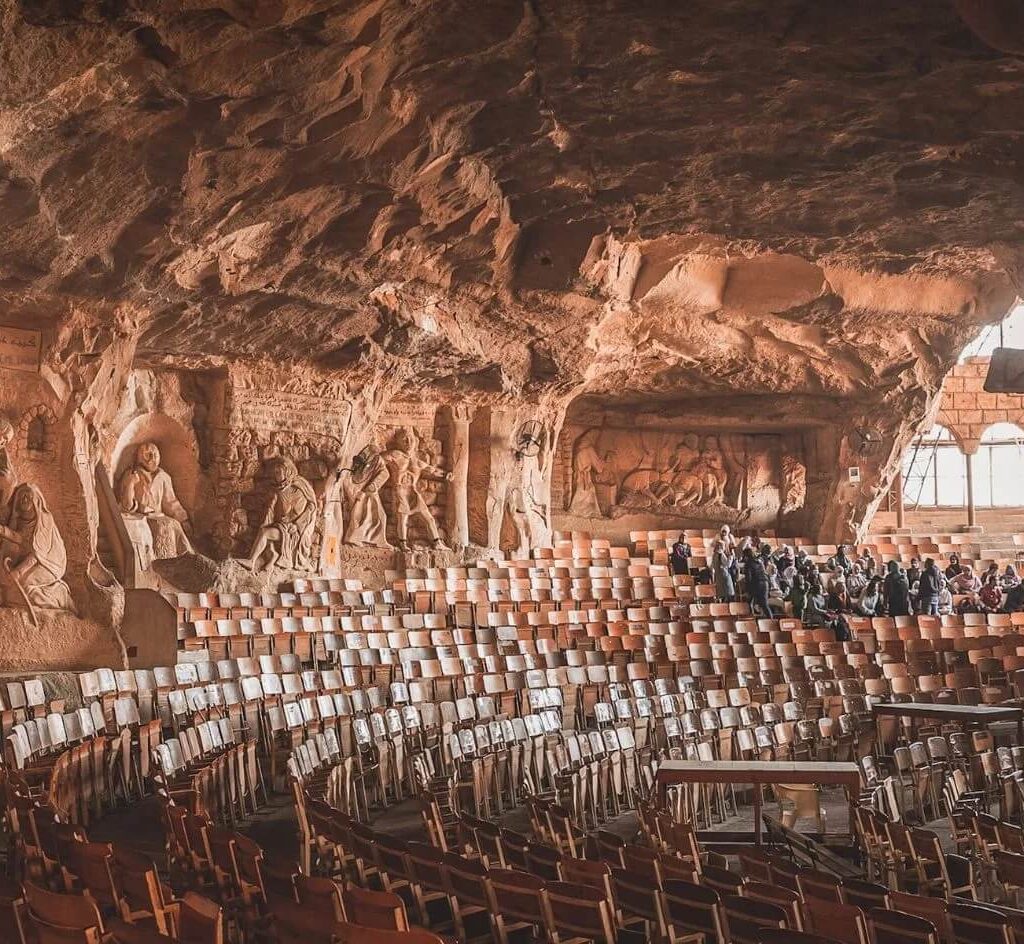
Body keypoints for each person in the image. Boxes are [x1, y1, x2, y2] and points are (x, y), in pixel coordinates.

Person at [743, 546, 771, 617]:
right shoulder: (759, 562)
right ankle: (768, 618)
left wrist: (747, 590)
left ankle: (770, 620)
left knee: (752, 602)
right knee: (764, 604)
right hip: (765, 583)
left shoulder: (748, 564)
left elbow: (748, 578)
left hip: (757, 584)